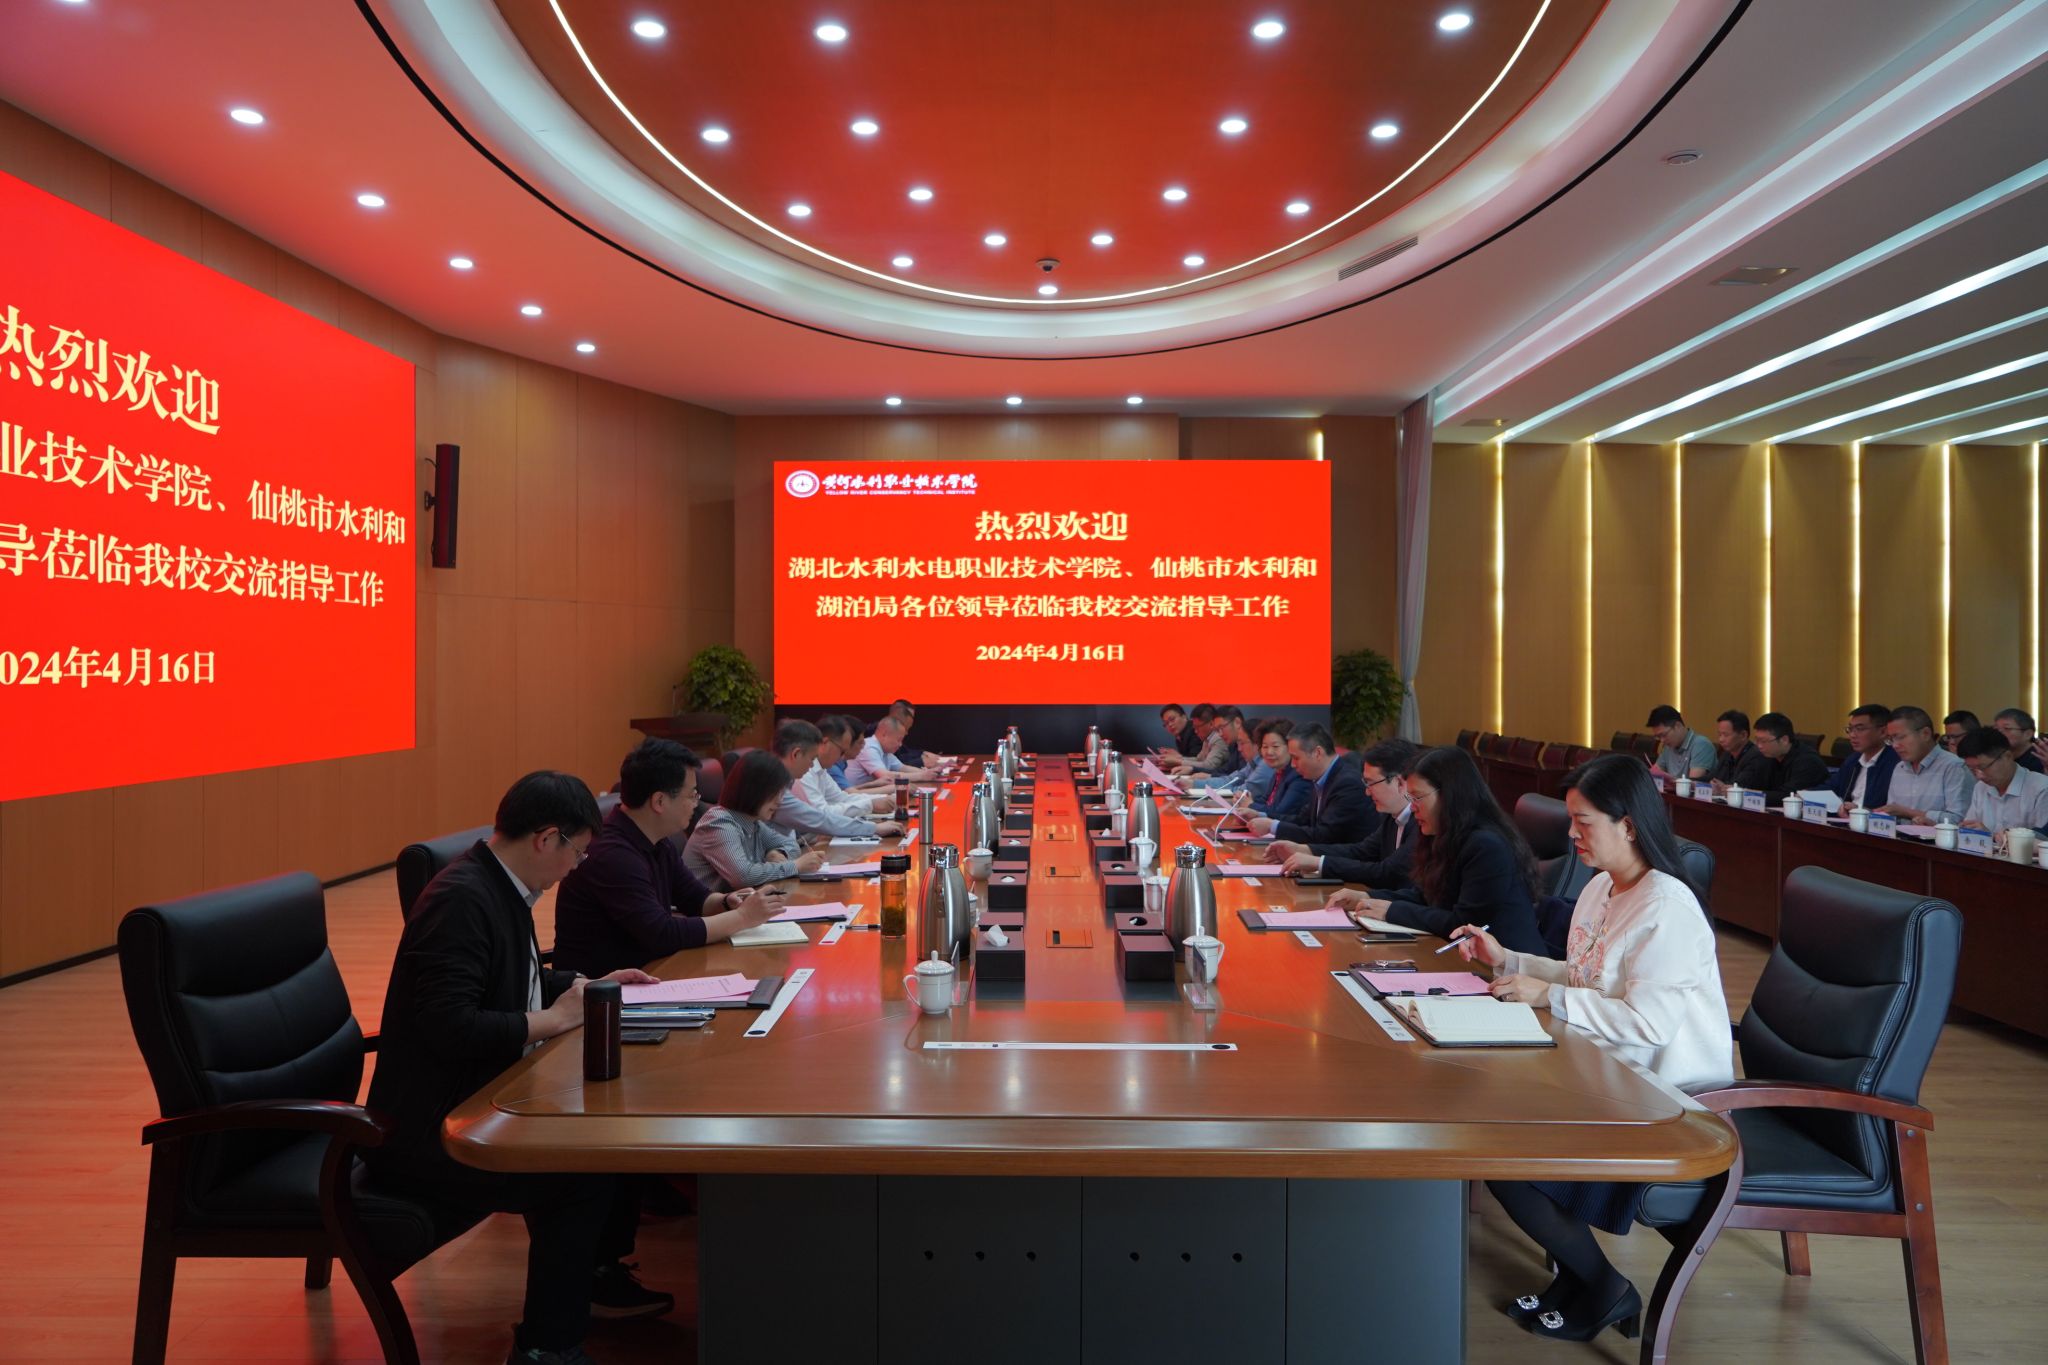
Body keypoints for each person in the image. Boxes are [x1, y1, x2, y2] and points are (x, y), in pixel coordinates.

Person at [366, 772, 674, 1363]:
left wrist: (586, 983)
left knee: (605, 1145)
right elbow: (450, 1027)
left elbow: (514, 980)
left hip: (477, 1098)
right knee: (580, 1175)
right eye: (578, 852)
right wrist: (554, 1020)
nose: (577, 867)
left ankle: (579, 1300)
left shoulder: (498, 885)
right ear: (547, 838)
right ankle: (546, 1350)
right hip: (436, 1129)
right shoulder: (462, 900)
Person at [1455, 755, 1732, 1342]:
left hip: (1665, 1100)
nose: (1571, 834)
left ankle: (1605, 1287)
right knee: (1491, 1124)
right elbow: (1588, 976)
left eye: (1583, 822)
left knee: (1505, 1153)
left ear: (1627, 825)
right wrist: (1509, 960)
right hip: (1605, 1072)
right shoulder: (1604, 885)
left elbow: (1648, 1024)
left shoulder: (1667, 909)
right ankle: (1583, 1281)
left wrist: (1547, 997)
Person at [553, 739, 791, 977]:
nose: (696, 803)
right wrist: (742, 917)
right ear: (659, 801)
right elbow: (662, 934)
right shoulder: (612, 854)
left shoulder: (657, 840)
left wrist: (728, 901)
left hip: (652, 970)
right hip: (605, 987)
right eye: (692, 795)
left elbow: (695, 898)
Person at [1327, 745, 1546, 953]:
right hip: (1463, 957)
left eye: (1417, 797)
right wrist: (1367, 897)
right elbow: (1425, 896)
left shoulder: (1487, 845)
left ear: (1449, 795)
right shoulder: (1444, 833)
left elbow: (1465, 924)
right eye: (1410, 798)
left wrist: (1392, 911)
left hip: (1505, 967)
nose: (1412, 807)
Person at [1270, 737, 1422, 890]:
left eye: (1371, 783)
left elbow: (1386, 873)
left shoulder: (1420, 822)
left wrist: (1319, 863)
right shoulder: (1392, 816)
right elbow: (1361, 851)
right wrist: (1304, 850)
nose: (1367, 792)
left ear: (1399, 782)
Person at [684, 750, 829, 889]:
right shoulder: (718, 823)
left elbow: (790, 844)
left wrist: (777, 853)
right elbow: (743, 876)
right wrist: (795, 866)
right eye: (776, 793)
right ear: (754, 790)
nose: (779, 801)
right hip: (708, 906)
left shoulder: (754, 823)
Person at [767, 719, 904, 840]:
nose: (812, 765)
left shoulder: (787, 780)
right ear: (796, 754)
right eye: (811, 759)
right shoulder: (775, 788)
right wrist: (873, 826)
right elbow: (820, 819)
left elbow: (840, 799)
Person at [1247, 723, 1374, 844]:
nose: (1293, 765)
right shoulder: (1321, 778)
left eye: (1296, 758)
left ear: (1317, 753)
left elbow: (1324, 835)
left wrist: (1273, 827)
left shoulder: (1347, 783)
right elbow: (1302, 820)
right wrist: (1261, 815)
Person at [1879, 705, 1974, 823]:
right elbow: (1892, 814)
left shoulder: (1953, 767)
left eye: (1900, 737)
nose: (1895, 745)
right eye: (1891, 739)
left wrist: (1907, 813)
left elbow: (1959, 820)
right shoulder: (1900, 768)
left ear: (1926, 734)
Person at [1957, 725, 2048, 834]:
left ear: (2008, 756)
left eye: (1983, 767)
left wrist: (1989, 836)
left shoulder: (2041, 789)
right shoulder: (1981, 787)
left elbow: (2042, 839)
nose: (1979, 776)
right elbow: (1970, 828)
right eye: (1972, 769)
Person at [803, 715, 897, 819]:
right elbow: (822, 813)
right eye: (842, 751)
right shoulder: (804, 771)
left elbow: (842, 798)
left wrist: (881, 799)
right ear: (825, 743)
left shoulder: (821, 770)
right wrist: (871, 805)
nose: (842, 757)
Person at [1829, 704, 1898, 809]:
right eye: (1850, 729)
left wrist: (1859, 810)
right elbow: (1832, 786)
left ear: (1883, 732)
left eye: (1859, 729)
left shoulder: (1895, 763)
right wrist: (1805, 794)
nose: (1852, 735)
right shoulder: (1853, 760)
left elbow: (1891, 808)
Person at [1753, 711, 1830, 804]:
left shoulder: (1808, 762)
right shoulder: (1767, 756)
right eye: (1757, 740)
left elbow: (1788, 796)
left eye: (1763, 741)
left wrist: (1750, 795)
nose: (1759, 746)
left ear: (1784, 740)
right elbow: (1756, 786)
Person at [1243, 719, 1310, 821]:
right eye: (1265, 747)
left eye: (1275, 746)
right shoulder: (1279, 772)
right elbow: (1265, 801)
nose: (1269, 752)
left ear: (1290, 747)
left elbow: (1280, 812)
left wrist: (1250, 805)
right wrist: (1245, 799)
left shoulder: (1299, 775)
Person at [844, 713, 937, 784]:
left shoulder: (885, 750)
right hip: (855, 795)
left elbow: (903, 768)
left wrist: (928, 772)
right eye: (899, 740)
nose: (900, 744)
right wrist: (921, 776)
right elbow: (886, 776)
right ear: (884, 734)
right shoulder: (869, 748)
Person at [1707, 709, 1773, 792]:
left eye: (1726, 735)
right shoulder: (1727, 754)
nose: (1721, 739)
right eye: (1719, 734)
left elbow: (1739, 786)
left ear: (1743, 735)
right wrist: (1693, 782)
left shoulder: (1756, 756)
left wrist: (1720, 787)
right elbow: (1712, 778)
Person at [1162, 703, 1235, 775]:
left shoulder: (1218, 738)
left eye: (1197, 727)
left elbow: (1209, 766)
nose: (1195, 731)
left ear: (1211, 724)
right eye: (1194, 727)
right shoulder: (1207, 739)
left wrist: (1179, 762)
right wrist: (1177, 759)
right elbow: (1199, 759)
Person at [1646, 705, 1714, 781]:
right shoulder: (1668, 747)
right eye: (1658, 737)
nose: (1662, 740)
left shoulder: (1701, 745)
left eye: (1664, 735)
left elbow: (1693, 783)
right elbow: (1654, 774)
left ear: (1677, 726)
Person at [1993, 707, 2045, 774]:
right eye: (1996, 729)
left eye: (2007, 728)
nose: (1999, 733)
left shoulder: (2041, 759)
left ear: (2028, 734)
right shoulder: (1997, 756)